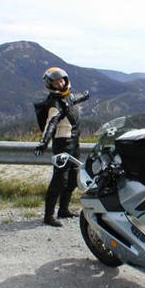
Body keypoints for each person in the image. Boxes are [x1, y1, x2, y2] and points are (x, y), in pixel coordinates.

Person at [34, 67, 89, 227]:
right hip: (63, 143)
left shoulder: (67, 97)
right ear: (50, 84)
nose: (61, 82)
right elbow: (51, 124)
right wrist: (44, 142)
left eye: (62, 79)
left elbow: (74, 99)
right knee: (59, 179)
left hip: (75, 142)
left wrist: (85, 95)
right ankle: (48, 216)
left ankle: (63, 210)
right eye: (56, 81)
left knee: (73, 177)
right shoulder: (54, 103)